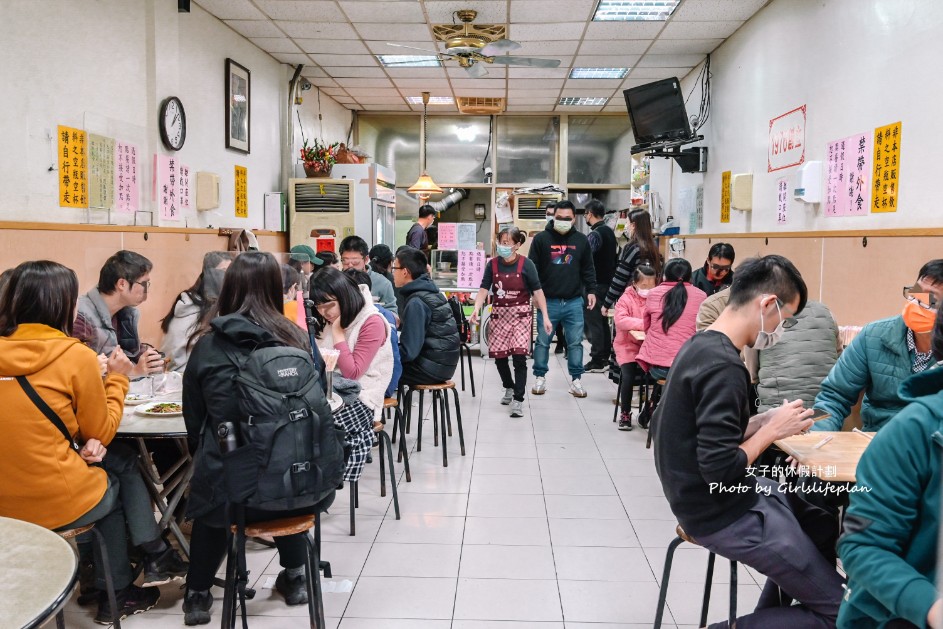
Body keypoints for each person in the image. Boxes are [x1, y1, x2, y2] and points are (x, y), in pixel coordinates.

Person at [654, 255, 844, 628]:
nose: (781, 330)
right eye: (784, 320)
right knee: (843, 614)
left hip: (708, 498)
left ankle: (779, 608)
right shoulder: (725, 367)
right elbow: (719, 469)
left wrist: (763, 421)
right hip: (720, 511)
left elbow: (694, 431)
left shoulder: (700, 346)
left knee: (818, 522)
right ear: (768, 305)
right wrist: (771, 433)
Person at [0, 261, 176, 623]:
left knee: (111, 468)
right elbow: (101, 431)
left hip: (5, 504)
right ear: (63, 304)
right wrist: (118, 379)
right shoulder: (73, 355)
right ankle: (122, 586)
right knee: (111, 485)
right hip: (52, 499)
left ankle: (112, 574)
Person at [181, 252, 336, 624]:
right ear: (275, 288)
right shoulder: (297, 337)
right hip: (303, 489)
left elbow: (194, 420)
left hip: (231, 496)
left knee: (224, 481)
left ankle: (198, 594)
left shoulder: (208, 345)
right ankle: (297, 577)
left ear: (228, 287)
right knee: (280, 461)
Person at [835, 307, 943, 629]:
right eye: (921, 297)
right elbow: (835, 394)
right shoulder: (874, 336)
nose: (924, 306)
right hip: (879, 445)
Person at [811, 259, 943, 433]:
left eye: (929, 300)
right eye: (915, 293)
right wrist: (815, 438)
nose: (916, 303)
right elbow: (833, 396)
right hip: (876, 442)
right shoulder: (873, 335)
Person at [310, 267, 394, 481]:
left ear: (344, 295)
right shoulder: (334, 317)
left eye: (329, 304)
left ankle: (323, 481)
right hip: (333, 391)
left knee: (315, 425)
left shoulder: (371, 322)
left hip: (363, 397)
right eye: (319, 306)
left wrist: (338, 334)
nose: (324, 312)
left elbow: (353, 373)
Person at [470, 226, 552, 418]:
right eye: (500, 242)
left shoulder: (527, 264)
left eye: (506, 243)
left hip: (521, 316)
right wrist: (476, 308)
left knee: (519, 357)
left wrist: (546, 316)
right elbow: (483, 288)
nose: (502, 246)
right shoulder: (493, 265)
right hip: (499, 315)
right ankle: (508, 386)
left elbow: (538, 291)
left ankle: (518, 399)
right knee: (499, 357)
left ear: (517, 245)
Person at [528, 201, 597, 398]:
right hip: (547, 301)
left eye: (567, 219)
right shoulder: (541, 239)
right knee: (542, 341)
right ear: (553, 217)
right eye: (559, 218)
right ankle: (540, 377)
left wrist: (591, 290)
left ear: (574, 219)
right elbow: (532, 270)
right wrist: (534, 293)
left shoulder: (582, 240)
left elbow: (588, 269)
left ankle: (576, 380)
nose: (563, 221)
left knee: (575, 342)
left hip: (574, 301)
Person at [74, 250, 165, 377]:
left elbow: (130, 354)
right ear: (122, 284)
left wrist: (149, 360)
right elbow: (81, 374)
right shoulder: (80, 317)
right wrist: (134, 373)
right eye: (144, 283)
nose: (146, 290)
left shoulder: (125, 314)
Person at [755, 300, 840, 413]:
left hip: (777, 412)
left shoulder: (762, 317)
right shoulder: (827, 313)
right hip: (824, 410)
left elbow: (752, 375)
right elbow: (839, 360)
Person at [391, 246, 459, 387]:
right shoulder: (431, 291)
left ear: (405, 272)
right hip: (444, 365)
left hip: (429, 369)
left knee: (377, 370)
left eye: (394, 268)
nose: (392, 273)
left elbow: (409, 351)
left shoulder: (416, 301)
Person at [635, 258, 707, 383]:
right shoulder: (701, 296)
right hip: (690, 366)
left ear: (664, 276)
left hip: (659, 368)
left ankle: (658, 400)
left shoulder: (653, 293)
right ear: (690, 277)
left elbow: (647, 327)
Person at [159, 251, 233, 372]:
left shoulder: (208, 301)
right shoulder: (193, 306)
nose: (228, 277)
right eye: (224, 271)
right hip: (180, 377)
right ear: (210, 274)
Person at [612, 265, 657, 430]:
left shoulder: (657, 298)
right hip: (627, 345)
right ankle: (626, 413)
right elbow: (621, 321)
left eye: (652, 286)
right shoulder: (626, 298)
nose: (648, 290)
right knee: (629, 375)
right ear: (635, 284)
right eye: (644, 286)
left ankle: (649, 411)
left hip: (649, 346)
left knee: (661, 375)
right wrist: (645, 324)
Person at [345, 268, 402, 398]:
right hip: (386, 379)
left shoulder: (373, 318)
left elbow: (353, 371)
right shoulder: (384, 313)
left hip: (381, 384)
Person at [601, 208, 663, 315]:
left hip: (631, 301)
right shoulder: (654, 249)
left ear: (634, 225)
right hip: (652, 301)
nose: (626, 227)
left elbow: (620, 278)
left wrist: (607, 303)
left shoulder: (632, 248)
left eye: (627, 223)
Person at [583, 200, 618, 373]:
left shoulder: (596, 234)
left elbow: (585, 258)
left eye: (586, 214)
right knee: (601, 320)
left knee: (594, 321)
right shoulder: (610, 233)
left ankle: (597, 359)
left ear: (589, 213)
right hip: (607, 283)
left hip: (596, 285)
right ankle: (604, 356)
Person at [339, 235, 398, 315]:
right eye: (345, 262)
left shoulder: (383, 283)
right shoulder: (337, 281)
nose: (350, 266)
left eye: (355, 262)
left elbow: (393, 314)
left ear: (366, 259)